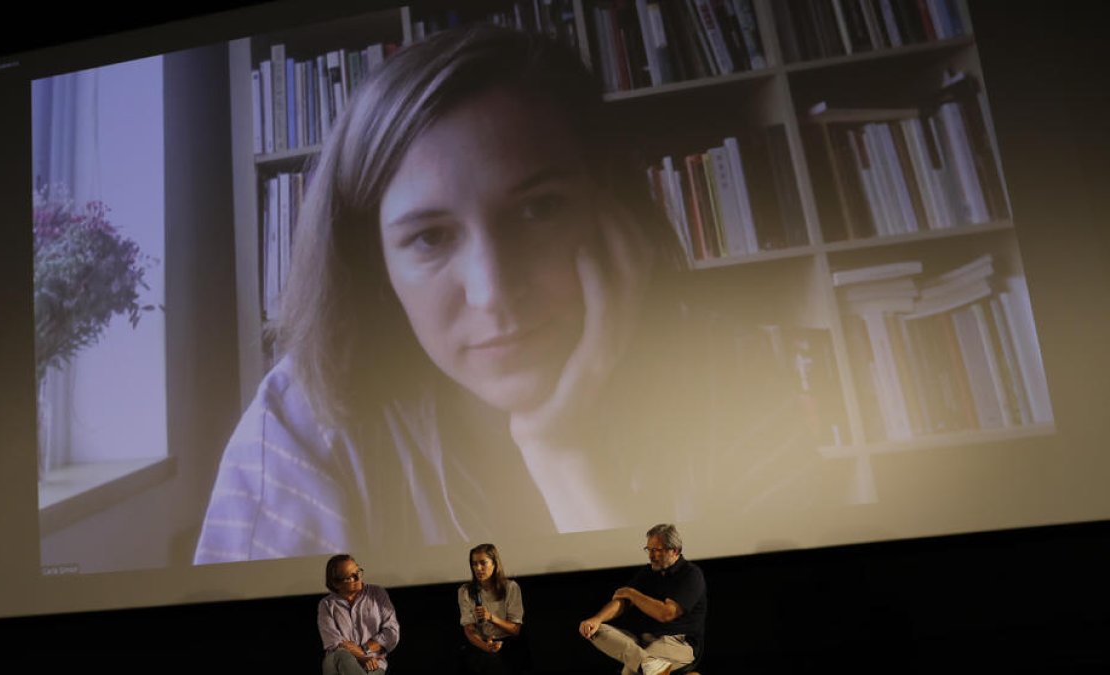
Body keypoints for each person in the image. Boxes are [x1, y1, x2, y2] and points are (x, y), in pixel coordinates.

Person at [194, 23, 820, 564]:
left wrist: (566, 459)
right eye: (430, 238)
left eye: (539, 209)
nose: (493, 292)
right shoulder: (300, 428)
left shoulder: (736, 380)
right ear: (374, 265)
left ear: (609, 208)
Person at [579, 524, 706, 675]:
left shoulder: (691, 574)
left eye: (656, 550)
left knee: (631, 672)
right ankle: (647, 663)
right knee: (595, 630)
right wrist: (597, 619)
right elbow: (622, 601)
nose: (651, 556)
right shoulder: (648, 572)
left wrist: (631, 593)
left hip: (678, 642)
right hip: (645, 641)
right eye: (649, 550)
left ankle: (646, 664)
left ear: (674, 550)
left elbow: (666, 614)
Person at [318, 554, 400, 674]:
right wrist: (361, 657)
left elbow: (392, 632)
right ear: (336, 583)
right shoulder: (326, 605)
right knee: (342, 656)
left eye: (358, 571)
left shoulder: (376, 594)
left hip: (373, 662)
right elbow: (334, 642)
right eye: (350, 577)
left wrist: (364, 650)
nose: (358, 578)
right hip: (338, 663)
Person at [458, 543, 527, 675]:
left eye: (483, 563)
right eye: (474, 564)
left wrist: (490, 617)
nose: (478, 568)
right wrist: (487, 647)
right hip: (480, 645)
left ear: (494, 564)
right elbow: (469, 629)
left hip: (508, 645)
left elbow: (515, 629)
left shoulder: (510, 587)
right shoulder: (465, 591)